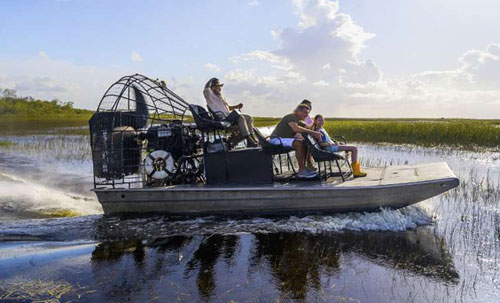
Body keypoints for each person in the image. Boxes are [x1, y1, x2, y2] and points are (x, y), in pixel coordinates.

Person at [269, 104, 322, 179]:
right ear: (298, 111)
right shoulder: (291, 117)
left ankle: (304, 167)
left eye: (308, 113)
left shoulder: (298, 120)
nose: (307, 115)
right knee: (299, 144)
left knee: (305, 143)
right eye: (305, 112)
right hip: (276, 139)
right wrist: (313, 133)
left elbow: (308, 127)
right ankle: (302, 170)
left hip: (283, 139)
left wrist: (318, 127)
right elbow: (295, 128)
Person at [203, 77, 259, 147]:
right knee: (240, 118)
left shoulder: (221, 97)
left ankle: (252, 139)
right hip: (222, 119)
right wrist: (210, 80)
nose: (220, 88)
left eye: (220, 86)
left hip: (229, 116)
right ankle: (249, 140)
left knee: (248, 118)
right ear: (213, 87)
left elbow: (227, 108)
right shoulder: (210, 96)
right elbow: (206, 89)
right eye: (218, 86)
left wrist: (236, 106)